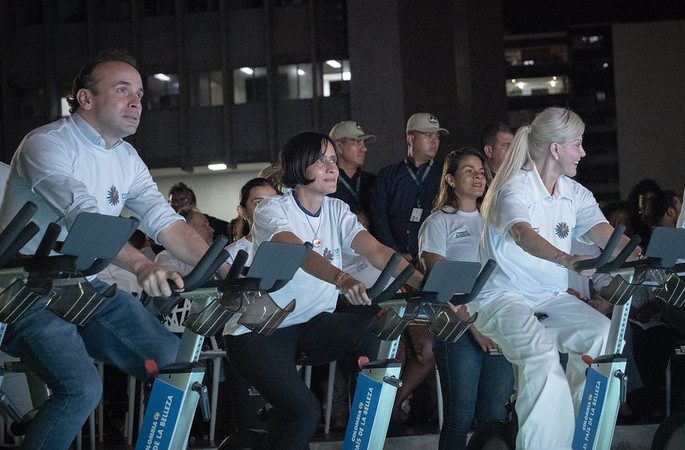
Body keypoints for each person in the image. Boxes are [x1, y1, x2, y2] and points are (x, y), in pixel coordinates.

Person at [0, 50, 217, 449]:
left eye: (139, 93)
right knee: (81, 389)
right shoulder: (45, 145)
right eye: (122, 90)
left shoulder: (126, 157)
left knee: (174, 364)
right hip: (25, 289)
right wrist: (141, 266)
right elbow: (84, 219)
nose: (136, 101)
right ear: (85, 98)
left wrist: (218, 269)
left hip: (82, 285)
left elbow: (164, 221)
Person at [223, 131, 422, 449]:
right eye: (321, 160)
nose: (332, 167)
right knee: (304, 412)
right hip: (258, 333)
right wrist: (341, 279)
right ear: (299, 167)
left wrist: (426, 287)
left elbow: (378, 252)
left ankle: (365, 426)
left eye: (333, 159)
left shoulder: (338, 211)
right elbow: (299, 252)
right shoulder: (272, 211)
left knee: (375, 326)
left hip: (310, 326)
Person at [470, 107, 639, 449]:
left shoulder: (574, 193)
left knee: (604, 339)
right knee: (542, 359)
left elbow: (607, 235)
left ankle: (583, 437)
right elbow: (521, 233)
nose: (583, 152)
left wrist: (645, 255)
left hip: (549, 297)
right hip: (502, 298)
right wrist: (565, 258)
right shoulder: (513, 188)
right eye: (578, 144)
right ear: (556, 148)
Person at [418, 147, 513, 449]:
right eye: (468, 171)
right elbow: (440, 284)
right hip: (458, 327)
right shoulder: (439, 222)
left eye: (481, 171)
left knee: (495, 414)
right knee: (460, 414)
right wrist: (474, 326)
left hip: (497, 322)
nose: (478, 176)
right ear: (449, 178)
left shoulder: (496, 221)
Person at [371, 112, 446, 265]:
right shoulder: (387, 175)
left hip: (436, 259)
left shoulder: (446, 174)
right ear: (410, 138)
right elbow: (379, 219)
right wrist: (394, 253)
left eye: (437, 136)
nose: (434, 141)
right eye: (428, 135)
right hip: (393, 261)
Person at [223, 177, 279, 267]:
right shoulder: (231, 255)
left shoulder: (293, 246)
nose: (267, 209)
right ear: (243, 211)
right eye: (258, 203)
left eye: (272, 202)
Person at [328, 120, 376, 216]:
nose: (364, 148)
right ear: (338, 146)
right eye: (358, 142)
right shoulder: (325, 183)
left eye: (364, 142)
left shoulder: (373, 182)